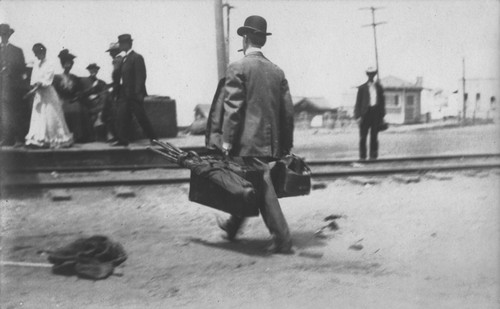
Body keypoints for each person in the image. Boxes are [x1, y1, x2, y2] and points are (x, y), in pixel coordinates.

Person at [216, 16, 295, 254]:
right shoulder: (277, 71)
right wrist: (286, 144)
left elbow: (233, 109)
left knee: (262, 185)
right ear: (263, 40)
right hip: (270, 141)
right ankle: (232, 227)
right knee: (250, 182)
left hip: (246, 142)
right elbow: (288, 113)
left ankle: (283, 239)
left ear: (245, 38)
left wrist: (227, 141)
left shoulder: (238, 68)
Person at [25, 43, 73, 148]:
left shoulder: (50, 63)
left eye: (38, 53)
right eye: (35, 54)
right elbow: (34, 77)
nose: (37, 56)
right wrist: (34, 85)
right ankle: (39, 139)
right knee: (39, 115)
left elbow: (48, 79)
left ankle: (55, 139)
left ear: (43, 52)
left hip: (48, 93)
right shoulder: (37, 64)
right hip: (39, 94)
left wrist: (40, 83)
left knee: (51, 115)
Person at [113, 34, 156, 146]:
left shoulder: (137, 57)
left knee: (141, 117)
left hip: (134, 94)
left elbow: (141, 77)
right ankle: (122, 140)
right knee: (122, 116)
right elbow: (118, 77)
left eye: (121, 44)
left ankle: (154, 138)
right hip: (124, 94)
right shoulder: (122, 59)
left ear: (127, 44)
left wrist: (137, 94)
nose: (120, 46)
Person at [53, 49, 92, 143]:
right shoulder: (56, 78)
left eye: (70, 64)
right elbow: (54, 92)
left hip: (73, 100)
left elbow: (79, 91)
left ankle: (78, 136)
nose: (68, 66)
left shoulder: (75, 78)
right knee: (64, 108)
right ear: (62, 65)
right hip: (61, 100)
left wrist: (78, 95)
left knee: (77, 107)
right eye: (66, 64)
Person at [0, 23, 28, 147]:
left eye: (6, 34)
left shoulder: (17, 51)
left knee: (16, 113)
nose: (4, 36)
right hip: (1, 87)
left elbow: (23, 69)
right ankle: (6, 138)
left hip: (14, 88)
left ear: (10, 35)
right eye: (2, 34)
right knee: (3, 114)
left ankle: (18, 138)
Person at [354, 67, 385, 160]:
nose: (371, 76)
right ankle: (362, 157)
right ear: (367, 75)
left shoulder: (379, 87)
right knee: (363, 136)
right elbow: (358, 103)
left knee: (374, 136)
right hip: (365, 114)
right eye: (369, 74)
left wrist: (382, 116)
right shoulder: (362, 88)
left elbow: (382, 102)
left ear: (375, 75)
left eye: (373, 74)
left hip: (375, 113)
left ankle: (373, 156)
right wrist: (358, 116)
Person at [80, 63, 108, 141]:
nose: (93, 71)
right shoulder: (84, 81)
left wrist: (98, 96)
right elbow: (81, 93)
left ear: (97, 71)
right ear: (89, 70)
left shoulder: (101, 82)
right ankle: (89, 136)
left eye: (95, 69)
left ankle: (102, 136)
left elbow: (105, 93)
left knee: (103, 109)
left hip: (98, 103)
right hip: (88, 103)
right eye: (91, 69)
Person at [101, 42, 122, 143]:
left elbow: (117, 76)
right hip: (117, 87)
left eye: (112, 52)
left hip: (119, 89)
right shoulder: (119, 59)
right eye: (110, 52)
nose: (110, 54)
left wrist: (113, 87)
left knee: (110, 111)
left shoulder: (117, 60)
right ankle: (113, 135)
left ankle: (114, 135)